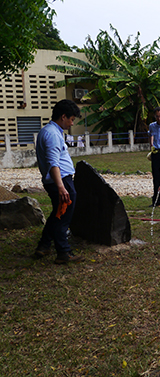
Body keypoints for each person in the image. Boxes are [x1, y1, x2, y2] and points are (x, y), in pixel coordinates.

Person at [34, 99, 84, 264]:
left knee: (58, 213)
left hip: (58, 181)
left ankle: (44, 245)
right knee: (63, 217)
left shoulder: (47, 131)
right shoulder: (53, 135)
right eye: (71, 119)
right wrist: (62, 188)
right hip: (61, 181)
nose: (71, 123)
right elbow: (53, 163)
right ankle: (63, 252)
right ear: (63, 116)